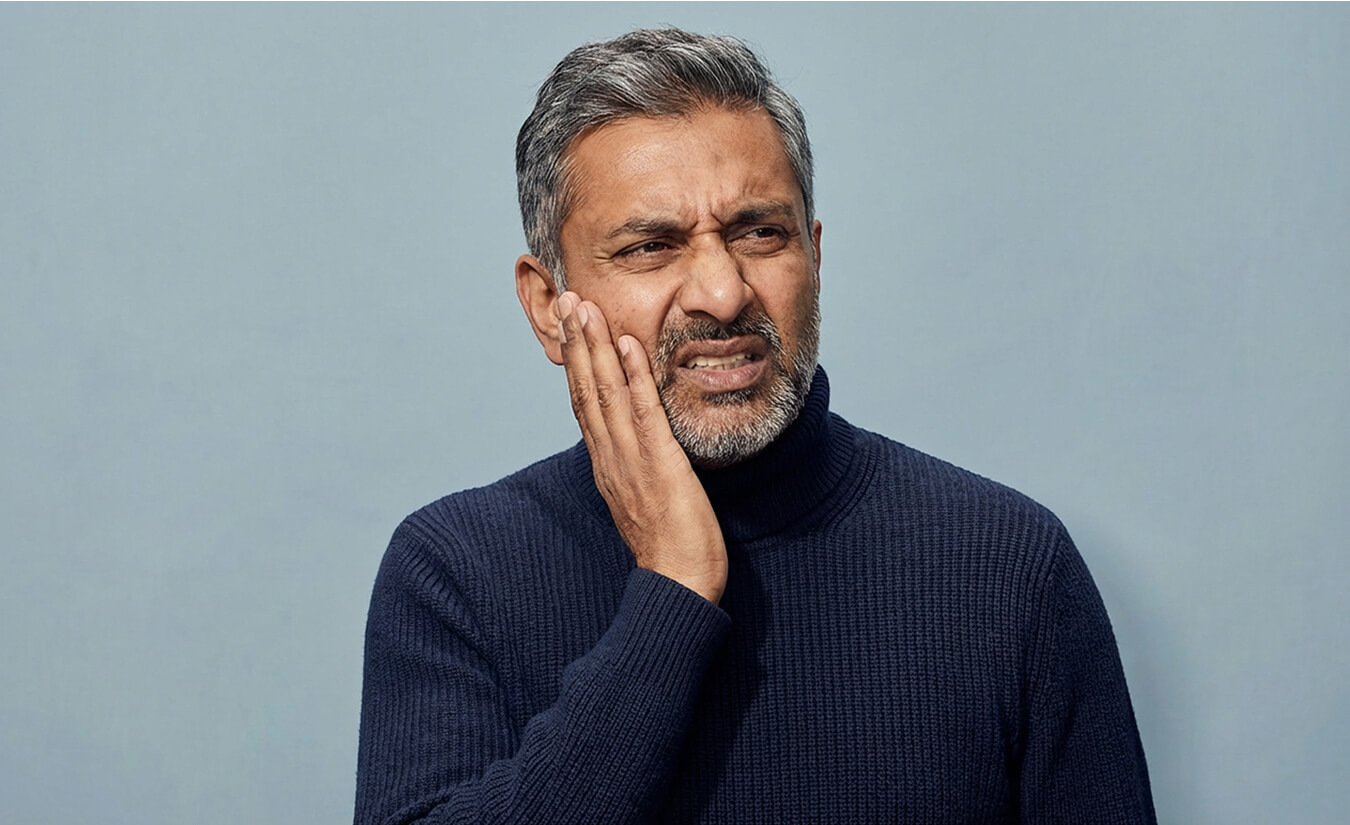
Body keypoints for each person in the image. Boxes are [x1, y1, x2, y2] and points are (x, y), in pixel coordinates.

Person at [354, 28, 1156, 825]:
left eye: (759, 233)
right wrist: (672, 591)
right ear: (546, 307)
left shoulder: (1009, 565)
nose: (723, 292)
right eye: (650, 246)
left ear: (814, 256)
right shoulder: (455, 573)